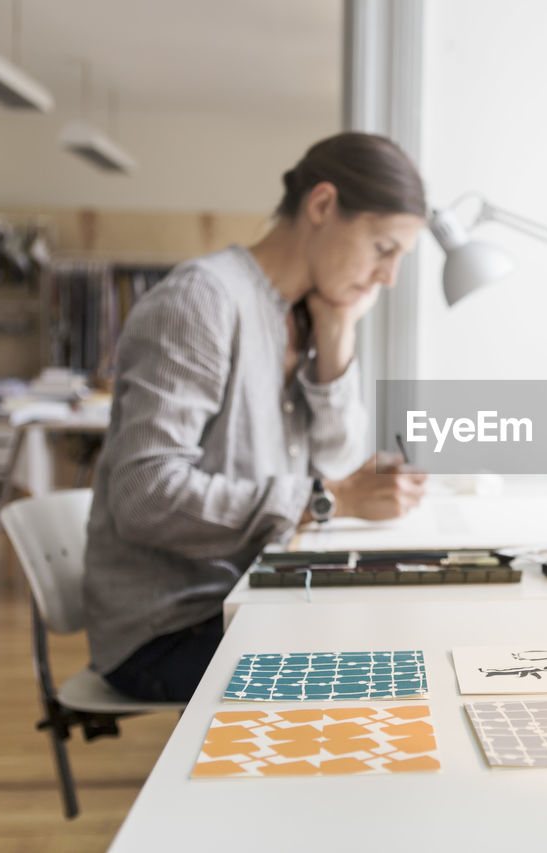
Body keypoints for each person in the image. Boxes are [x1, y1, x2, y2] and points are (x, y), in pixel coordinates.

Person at [83, 132, 428, 702]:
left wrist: (338, 335)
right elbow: (145, 494)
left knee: (406, 632)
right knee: (383, 673)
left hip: (249, 594)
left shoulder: (303, 314)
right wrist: (330, 501)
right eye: (383, 248)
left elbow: (337, 462)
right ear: (321, 206)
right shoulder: (201, 303)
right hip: (170, 628)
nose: (388, 277)